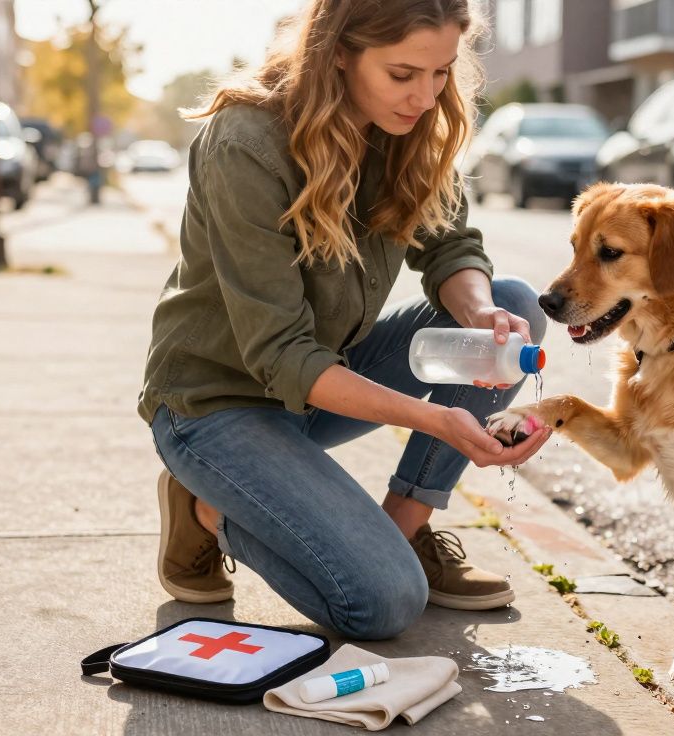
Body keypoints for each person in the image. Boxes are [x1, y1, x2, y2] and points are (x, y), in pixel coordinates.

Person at [138, 0, 550, 641]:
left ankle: (404, 528)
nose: (424, 96)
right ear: (337, 52)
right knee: (382, 605)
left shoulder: (407, 125)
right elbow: (281, 354)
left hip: (320, 382)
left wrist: (481, 312)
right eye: (403, 73)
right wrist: (434, 418)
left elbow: (450, 246)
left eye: (441, 73)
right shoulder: (245, 143)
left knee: (516, 305)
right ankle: (206, 507)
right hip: (217, 404)